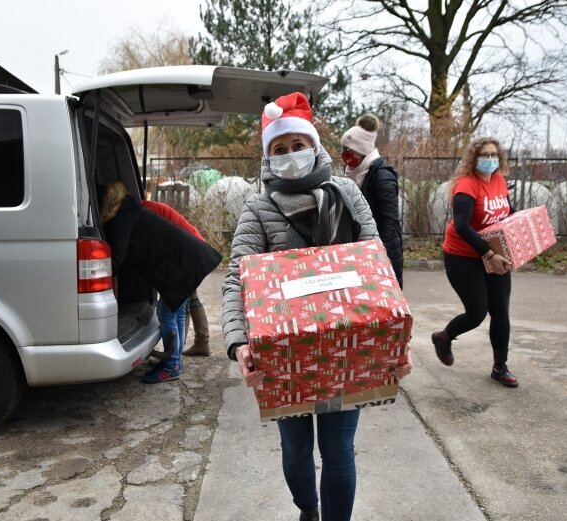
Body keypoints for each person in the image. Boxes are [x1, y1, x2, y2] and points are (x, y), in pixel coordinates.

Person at [221, 92, 413, 521]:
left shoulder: (347, 194)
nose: (291, 155)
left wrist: (398, 342)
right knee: (295, 449)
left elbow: (375, 267)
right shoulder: (258, 207)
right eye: (280, 149)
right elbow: (237, 278)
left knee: (339, 449)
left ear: (315, 145)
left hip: (348, 347)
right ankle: (308, 507)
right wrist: (238, 344)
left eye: (298, 145)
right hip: (284, 353)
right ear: (269, 157)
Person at [99, 182, 221, 383]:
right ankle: (175, 361)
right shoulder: (130, 210)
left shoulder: (120, 217)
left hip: (181, 262)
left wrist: (95, 274)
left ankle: (171, 365)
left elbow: (117, 259)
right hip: (185, 258)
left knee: (166, 314)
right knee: (178, 311)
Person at [430, 137, 519, 388]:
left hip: (494, 253)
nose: (490, 159)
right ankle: (443, 337)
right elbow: (462, 225)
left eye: (494, 155)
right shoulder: (467, 185)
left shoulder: (500, 181)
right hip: (463, 255)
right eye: (484, 155)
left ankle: (500, 366)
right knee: (477, 312)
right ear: (474, 158)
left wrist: (521, 238)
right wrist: (489, 254)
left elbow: (507, 214)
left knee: (501, 310)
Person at [140, 199, 211, 357]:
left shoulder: (146, 211)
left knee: (180, 301)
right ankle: (200, 343)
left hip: (191, 251)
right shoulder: (148, 206)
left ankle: (177, 353)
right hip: (194, 247)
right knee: (190, 299)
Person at [340, 114, 404, 288]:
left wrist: (381, 258)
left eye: (349, 150)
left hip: (381, 252)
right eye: (344, 149)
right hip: (363, 248)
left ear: (362, 150)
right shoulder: (355, 173)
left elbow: (389, 222)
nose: (345, 155)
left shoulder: (382, 177)